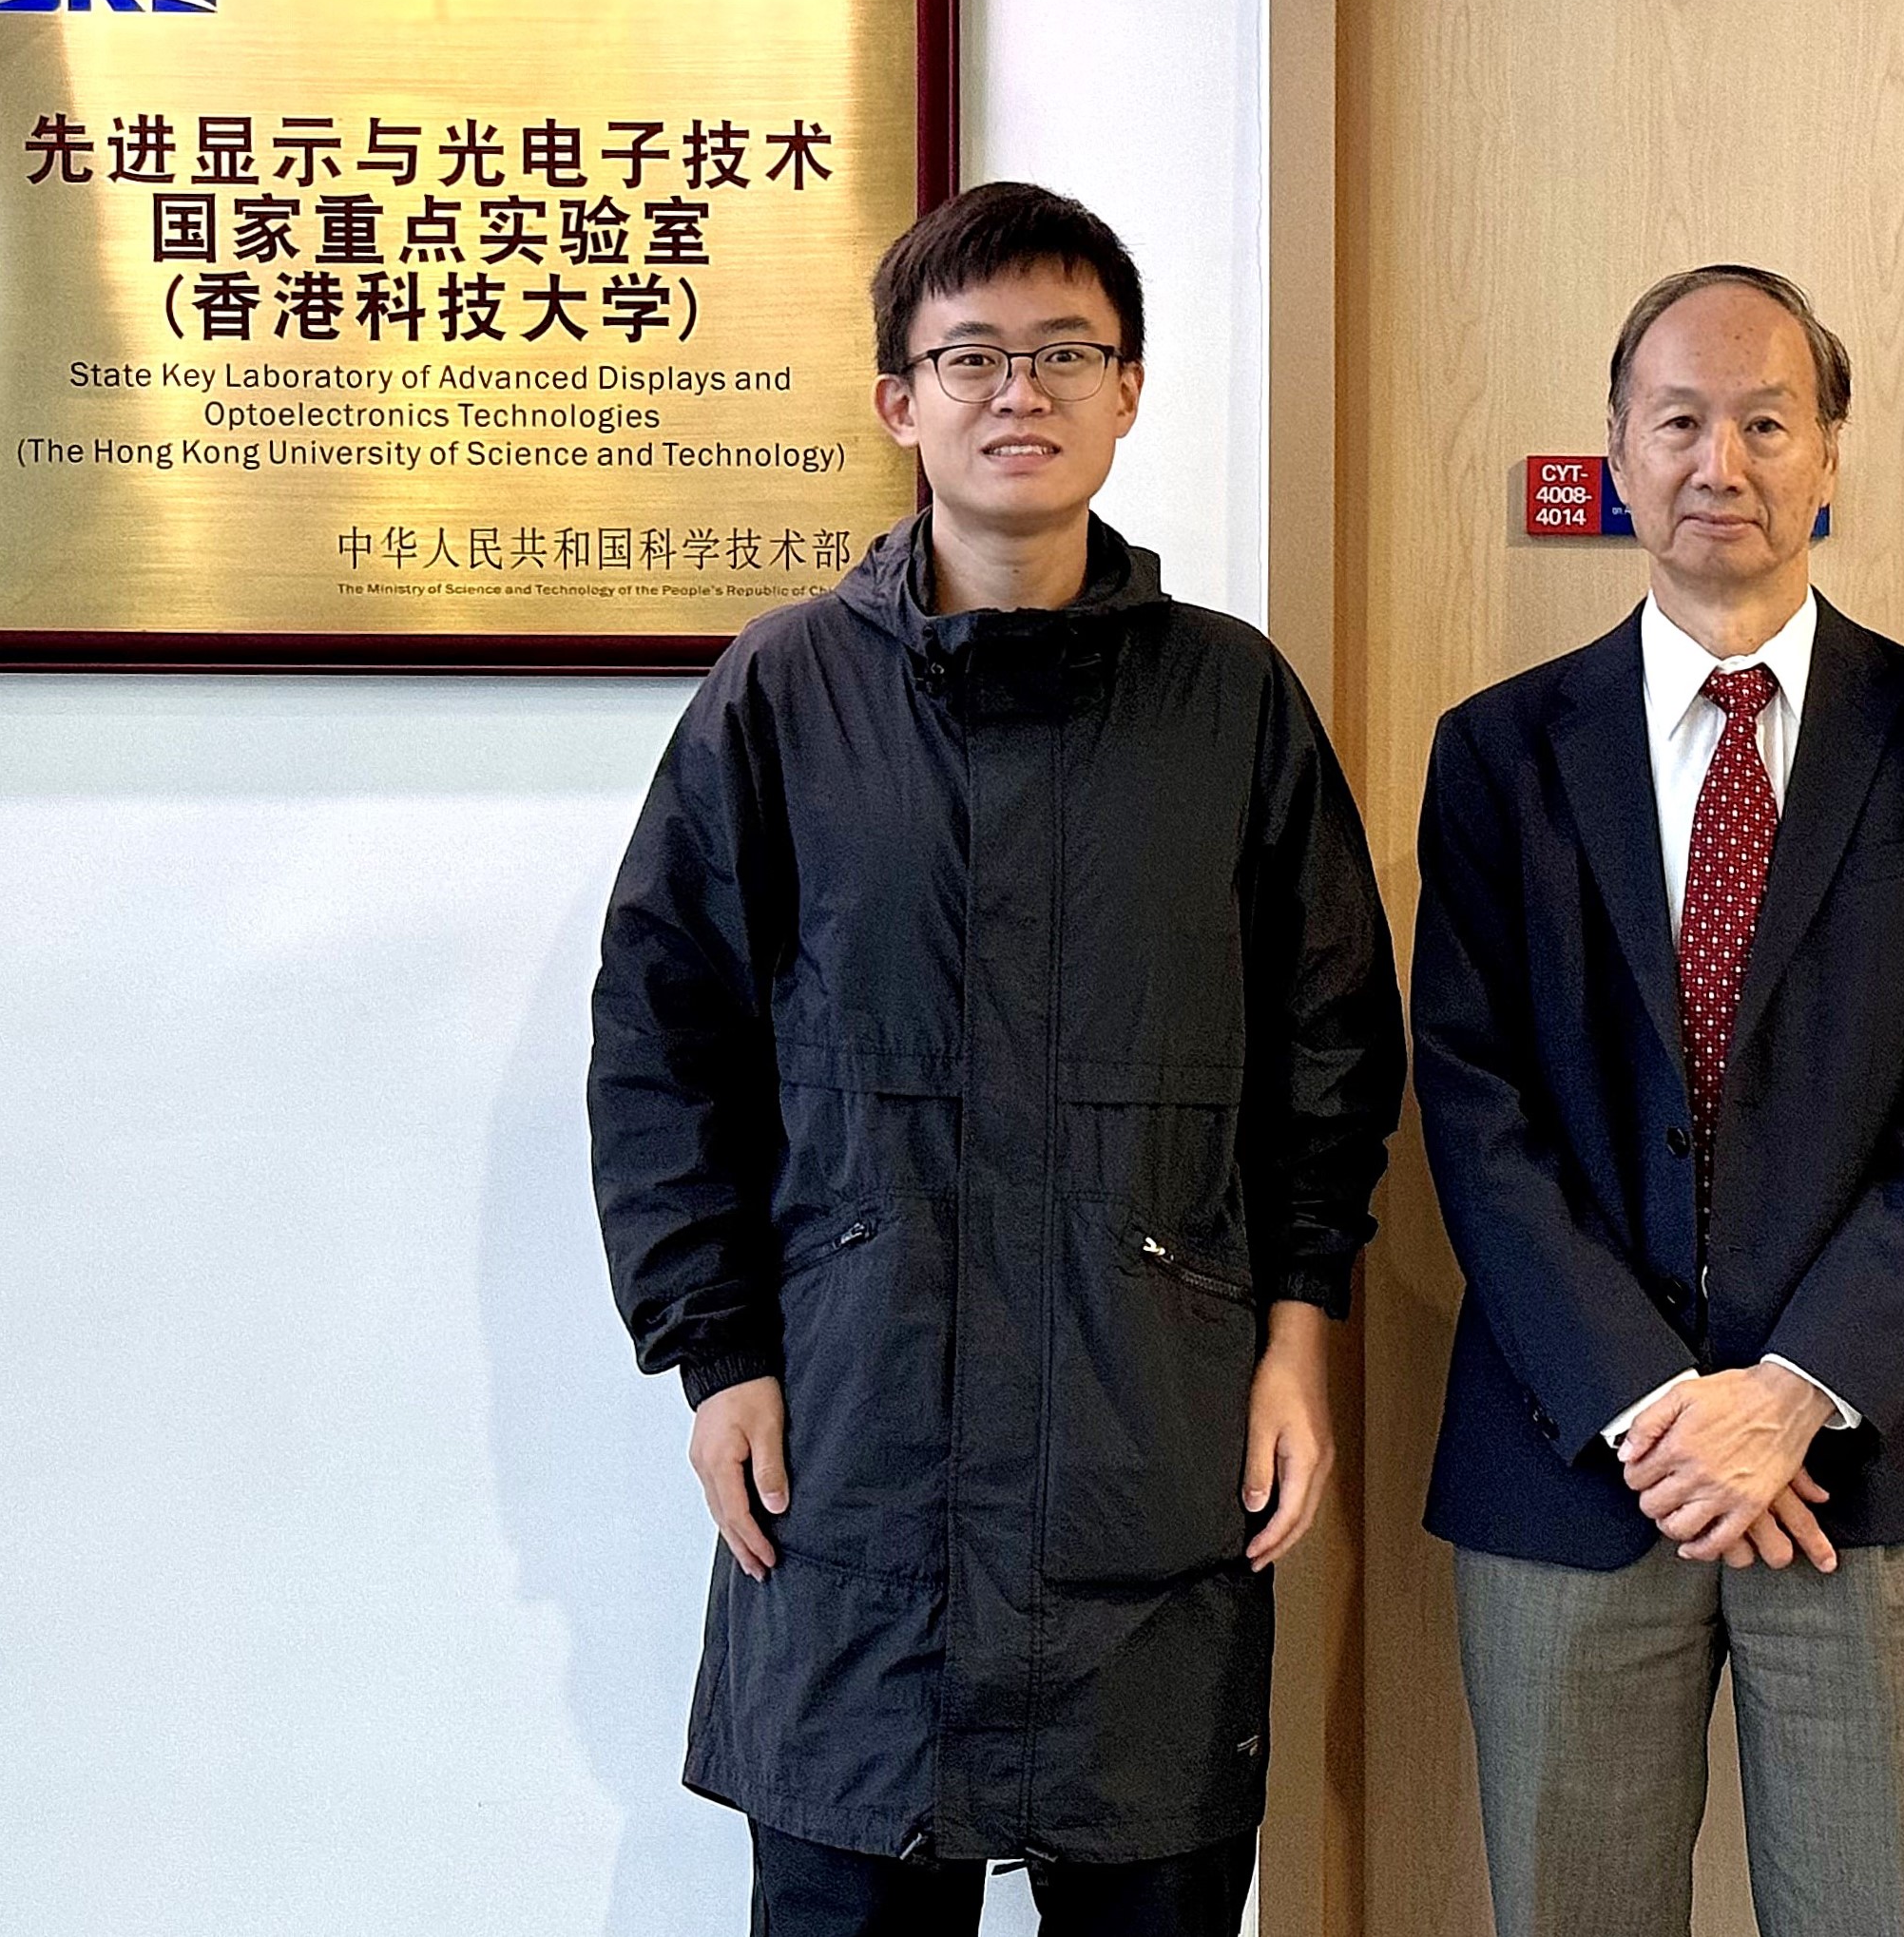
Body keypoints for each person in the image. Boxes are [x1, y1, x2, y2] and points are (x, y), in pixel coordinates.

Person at [589, 181, 1407, 1936]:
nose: (1015, 393)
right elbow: (665, 1045)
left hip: (1153, 1438)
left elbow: (1329, 1052)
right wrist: (715, 1353)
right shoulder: (785, 693)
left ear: (1129, 393)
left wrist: (1296, 1336)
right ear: (900, 400)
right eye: (969, 357)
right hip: (856, 1445)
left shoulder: (1231, 702)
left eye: (1063, 354)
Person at [1410, 263, 1904, 1937]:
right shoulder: (1496, 753)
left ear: (1829, 453)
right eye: (1679, 420)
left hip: (1870, 1459)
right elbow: (1470, 1102)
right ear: (1616, 449)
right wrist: (1651, 1400)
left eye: (1768, 420)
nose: (1722, 461)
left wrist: (1794, 1388)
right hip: (1571, 1459)